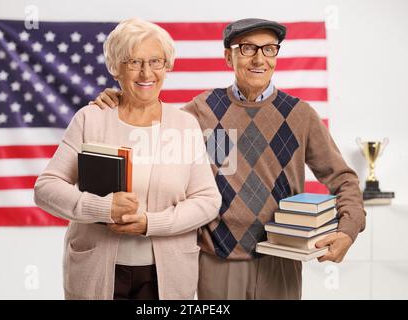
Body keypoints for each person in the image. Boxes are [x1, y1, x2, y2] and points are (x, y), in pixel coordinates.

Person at [91, 18, 366, 300]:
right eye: (247, 48)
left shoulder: (300, 115)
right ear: (228, 56)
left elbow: (343, 179)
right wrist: (122, 100)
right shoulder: (200, 110)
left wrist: (348, 229)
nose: (259, 58)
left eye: (269, 49)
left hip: (281, 259)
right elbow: (146, 126)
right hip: (216, 260)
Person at [34, 18, 221, 300]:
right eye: (133, 62)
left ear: (166, 66)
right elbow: (46, 189)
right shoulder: (91, 119)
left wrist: (150, 223)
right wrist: (104, 208)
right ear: (115, 68)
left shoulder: (185, 125)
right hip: (95, 273)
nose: (146, 72)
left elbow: (207, 201)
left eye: (156, 61)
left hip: (168, 276)